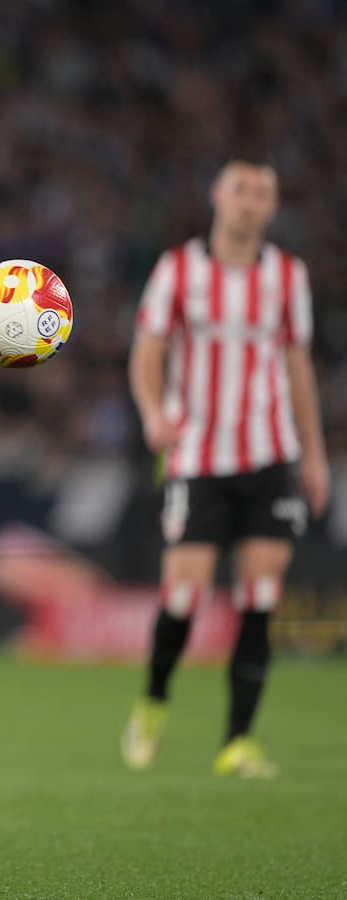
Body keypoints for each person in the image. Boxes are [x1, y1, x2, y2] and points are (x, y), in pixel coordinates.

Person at [120, 158, 330, 777]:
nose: (250, 201)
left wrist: (313, 455)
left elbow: (297, 366)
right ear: (218, 195)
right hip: (198, 456)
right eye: (241, 189)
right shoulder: (178, 270)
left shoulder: (288, 276)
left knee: (260, 595)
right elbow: (147, 354)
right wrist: (154, 413)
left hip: (271, 454)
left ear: (272, 205)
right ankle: (154, 701)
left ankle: (237, 741)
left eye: (263, 192)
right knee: (183, 593)